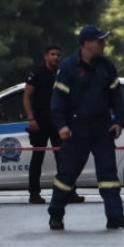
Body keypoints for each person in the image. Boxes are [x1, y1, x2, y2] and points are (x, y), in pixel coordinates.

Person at [46, 26, 124, 231]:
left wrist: (119, 121)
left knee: (108, 176)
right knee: (66, 177)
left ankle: (115, 216)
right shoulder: (68, 67)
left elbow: (116, 97)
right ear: (87, 44)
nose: (104, 45)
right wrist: (61, 126)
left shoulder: (107, 67)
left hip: (102, 128)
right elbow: (58, 101)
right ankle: (56, 215)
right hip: (76, 129)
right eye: (100, 41)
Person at [23, 45, 84, 205]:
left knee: (64, 158)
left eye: (58, 54)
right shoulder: (37, 73)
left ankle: (70, 192)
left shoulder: (62, 73)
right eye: (52, 54)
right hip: (40, 121)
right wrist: (31, 118)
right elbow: (26, 97)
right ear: (46, 56)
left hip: (58, 121)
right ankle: (34, 193)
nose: (56, 57)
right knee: (37, 157)